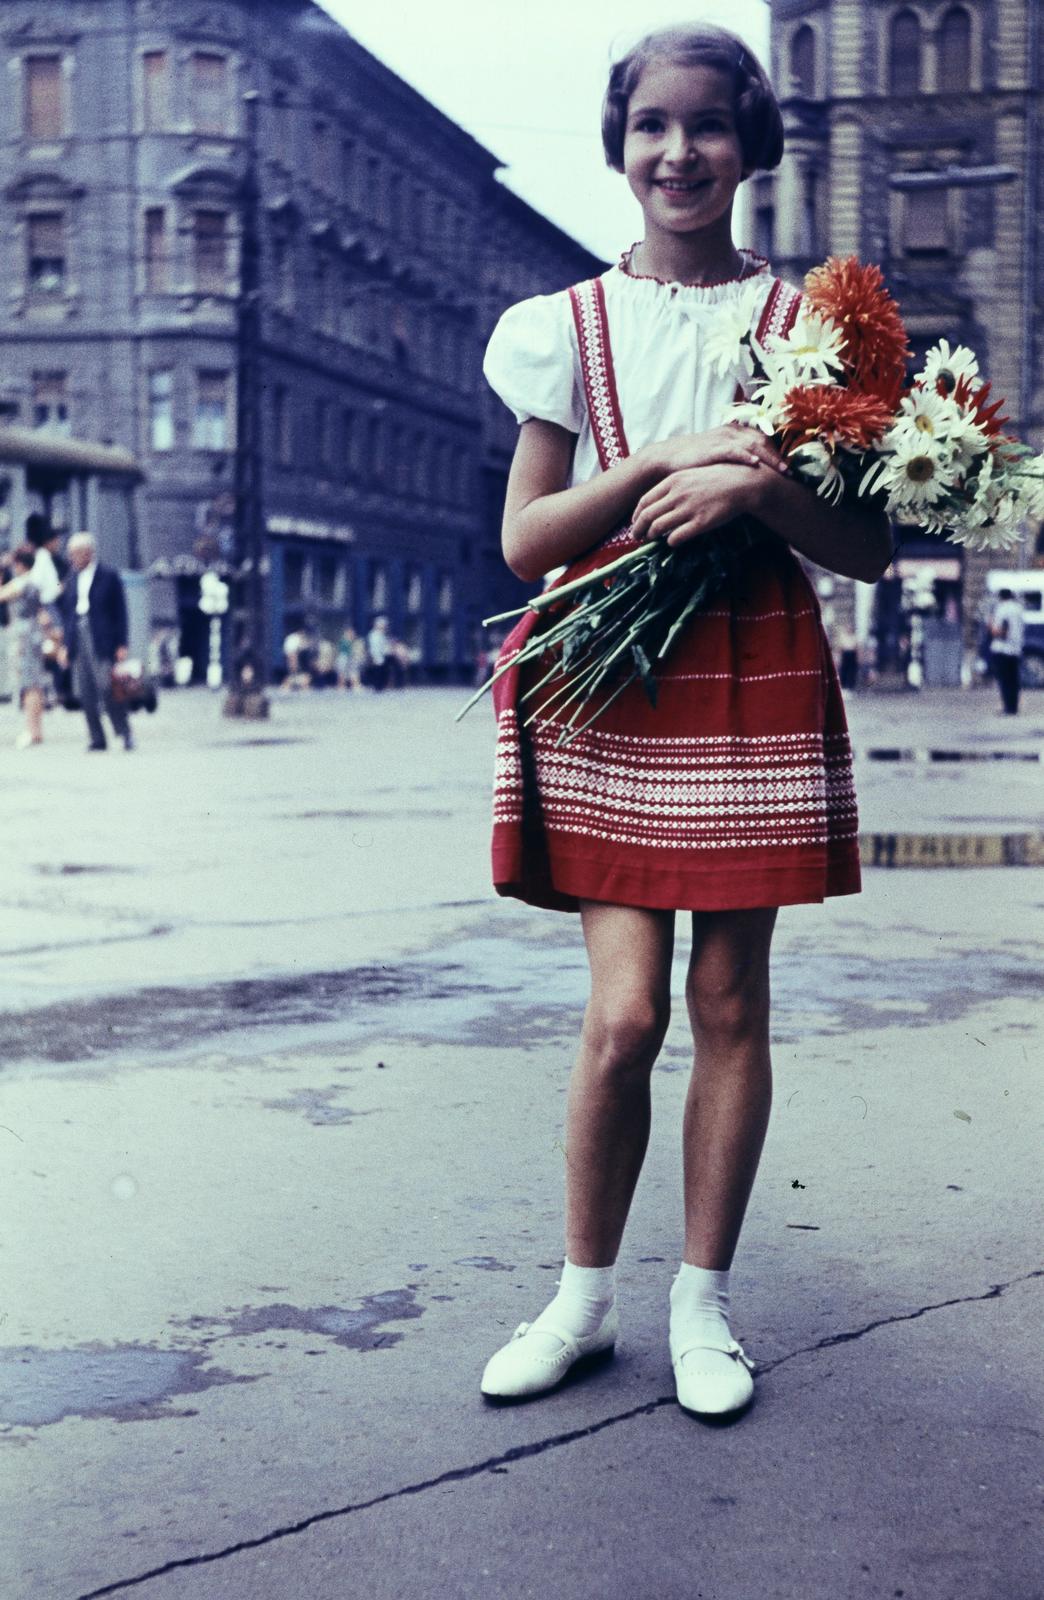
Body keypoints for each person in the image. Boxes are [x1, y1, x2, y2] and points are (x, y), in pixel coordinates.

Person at [477, 24, 892, 1420]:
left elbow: (873, 552)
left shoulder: (813, 330)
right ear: (622, 142)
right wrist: (657, 462)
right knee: (623, 1015)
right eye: (653, 125)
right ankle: (580, 1301)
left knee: (727, 1002)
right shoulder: (566, 327)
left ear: (749, 145)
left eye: (709, 126)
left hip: (750, 665)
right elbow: (527, 540)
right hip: (609, 674)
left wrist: (761, 491)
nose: (678, 152)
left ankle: (702, 1306)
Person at [57, 532, 135, 752]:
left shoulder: (108, 576)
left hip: (101, 636)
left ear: (89, 553)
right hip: (78, 635)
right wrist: (65, 645)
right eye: (70, 554)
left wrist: (122, 643)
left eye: (76, 553)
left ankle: (125, 732)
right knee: (85, 690)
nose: (72, 558)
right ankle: (97, 737)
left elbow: (120, 612)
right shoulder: (71, 577)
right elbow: (68, 613)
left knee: (108, 686)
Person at [0, 544, 52, 746]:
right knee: (35, 684)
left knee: (28, 684)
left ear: (19, 564)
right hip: (33, 632)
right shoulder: (33, 582)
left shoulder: (21, 583)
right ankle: (36, 730)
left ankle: (31, 730)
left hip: (23, 635)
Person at [989, 587, 1024, 715]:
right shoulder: (1018, 608)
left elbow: (1002, 630)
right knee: (1014, 680)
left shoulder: (1002, 609)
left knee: (1004, 680)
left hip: (1002, 648)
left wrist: (991, 625)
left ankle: (1007, 708)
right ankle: (1013, 707)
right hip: (1016, 648)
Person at [366, 614, 390, 691]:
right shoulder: (374, 634)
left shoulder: (382, 634)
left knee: (382, 671)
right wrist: (374, 656)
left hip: (382, 656)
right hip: (377, 656)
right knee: (377, 671)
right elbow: (374, 647)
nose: (384, 626)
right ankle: (377, 686)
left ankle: (381, 686)